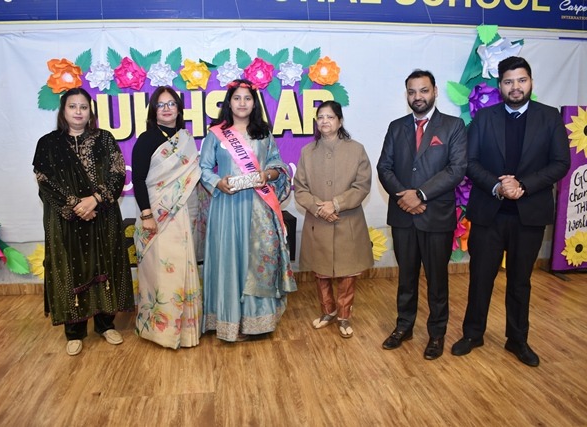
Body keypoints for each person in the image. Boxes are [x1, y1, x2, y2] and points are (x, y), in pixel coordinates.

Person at [451, 57, 570, 367]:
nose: (515, 87)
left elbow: (560, 163)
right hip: (489, 214)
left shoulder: (549, 117)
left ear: (530, 82)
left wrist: (523, 186)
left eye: (521, 80)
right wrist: (498, 186)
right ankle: (473, 334)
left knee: (520, 281)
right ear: (500, 86)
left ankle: (517, 340)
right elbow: (470, 162)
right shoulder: (483, 118)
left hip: (529, 215)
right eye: (508, 81)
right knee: (480, 278)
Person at [33, 87, 134, 356]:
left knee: (105, 264)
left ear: (90, 112)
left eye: (83, 107)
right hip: (65, 220)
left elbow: (117, 173)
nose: (78, 112)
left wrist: (95, 200)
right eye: (72, 106)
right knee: (69, 269)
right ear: (63, 111)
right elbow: (44, 181)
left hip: (102, 215)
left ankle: (105, 325)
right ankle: (74, 332)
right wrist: (76, 206)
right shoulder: (48, 143)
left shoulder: (104, 139)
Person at [377, 69, 467, 360]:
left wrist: (421, 194)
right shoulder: (396, 127)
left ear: (435, 91)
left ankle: (437, 333)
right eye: (412, 91)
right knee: (406, 277)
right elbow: (384, 167)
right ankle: (404, 326)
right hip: (403, 216)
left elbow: (456, 169)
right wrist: (404, 196)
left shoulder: (453, 126)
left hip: (436, 216)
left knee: (437, 280)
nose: (418, 96)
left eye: (424, 90)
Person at [199, 78, 297, 342]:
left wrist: (268, 174)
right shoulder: (216, 134)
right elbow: (203, 168)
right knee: (230, 260)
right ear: (229, 102)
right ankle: (229, 322)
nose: (242, 103)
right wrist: (218, 182)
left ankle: (257, 322)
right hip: (227, 206)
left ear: (254, 103)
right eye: (237, 98)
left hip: (258, 206)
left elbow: (277, 164)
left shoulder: (263, 134)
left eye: (247, 98)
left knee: (256, 258)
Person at [132, 86, 205, 349]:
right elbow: (138, 179)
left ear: (178, 108)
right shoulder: (146, 139)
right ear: (154, 110)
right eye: (161, 104)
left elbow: (193, 178)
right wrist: (147, 215)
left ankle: (187, 332)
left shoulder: (186, 138)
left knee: (184, 268)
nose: (166, 108)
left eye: (171, 103)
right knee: (161, 273)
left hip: (185, 214)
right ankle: (160, 332)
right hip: (157, 216)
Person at [294, 100, 373, 339]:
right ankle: (327, 311)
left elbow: (362, 186)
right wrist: (320, 208)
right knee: (321, 272)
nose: (325, 121)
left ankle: (344, 316)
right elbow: (300, 189)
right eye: (320, 117)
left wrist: (336, 204)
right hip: (318, 221)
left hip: (347, 220)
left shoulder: (356, 150)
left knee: (348, 273)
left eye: (330, 117)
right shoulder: (307, 152)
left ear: (340, 121)